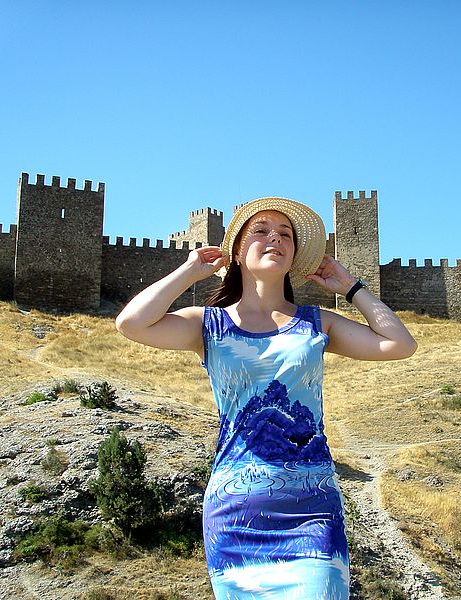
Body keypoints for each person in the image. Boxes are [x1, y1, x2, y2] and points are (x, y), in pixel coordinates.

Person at [115, 197, 417, 599]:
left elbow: (400, 344)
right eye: (260, 231)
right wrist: (189, 271)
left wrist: (350, 286)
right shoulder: (208, 325)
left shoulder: (316, 322)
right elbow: (131, 323)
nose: (274, 237)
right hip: (235, 514)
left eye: (285, 234)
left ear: (293, 255)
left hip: (312, 508)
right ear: (237, 251)